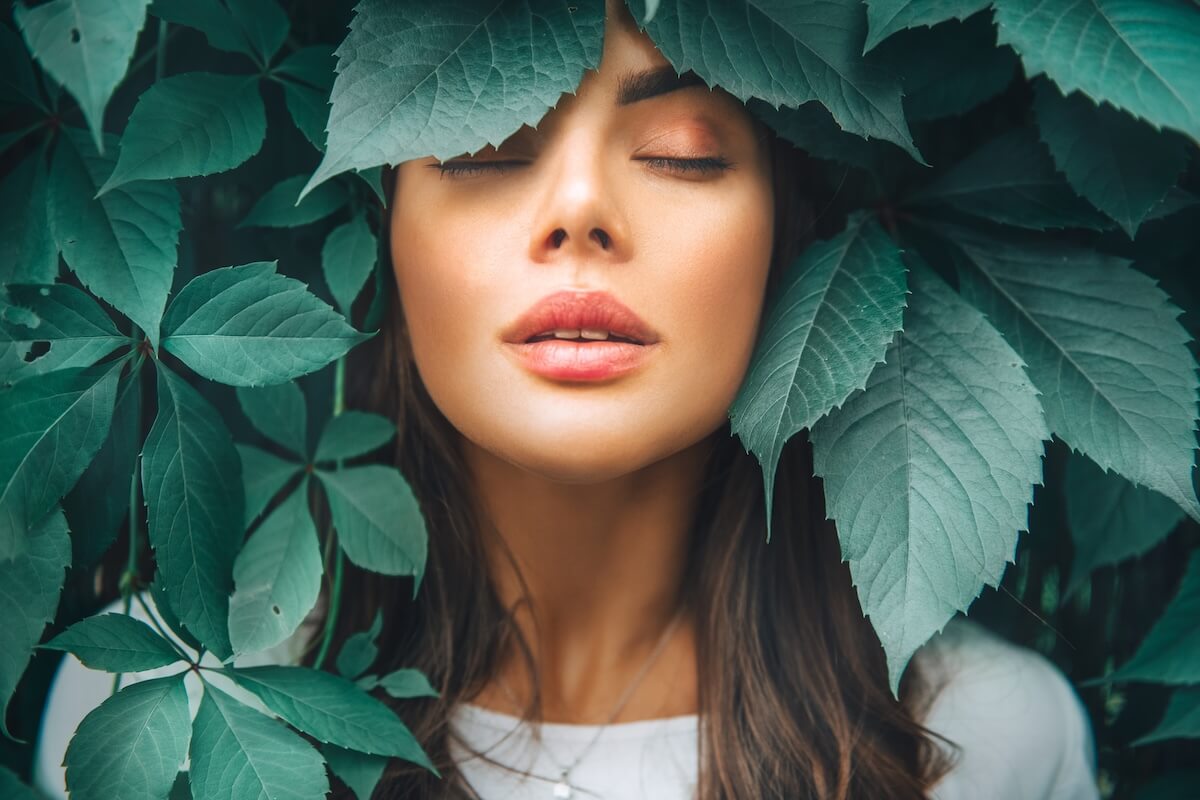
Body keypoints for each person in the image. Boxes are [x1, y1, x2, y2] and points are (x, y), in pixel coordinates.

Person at [34, 1, 1099, 798]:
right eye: (486, 148)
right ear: (382, 233)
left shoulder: (982, 739)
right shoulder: (149, 704)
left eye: (681, 155)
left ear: (793, 235)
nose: (580, 208)